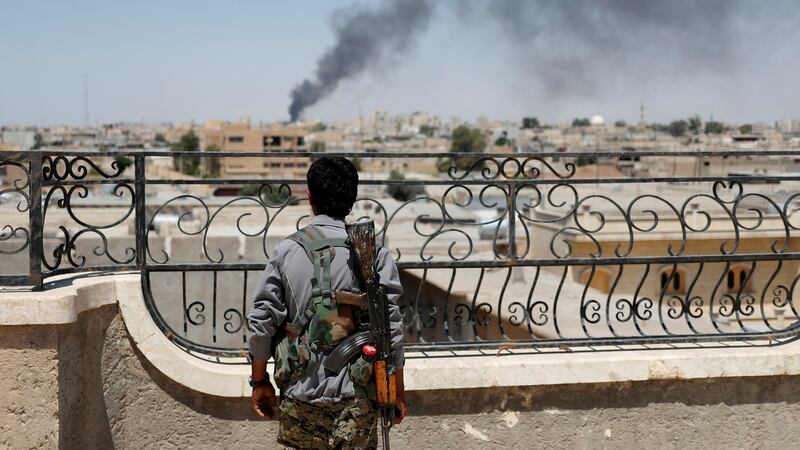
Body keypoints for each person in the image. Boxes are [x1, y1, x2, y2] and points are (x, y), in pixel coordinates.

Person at [247, 156, 407, 449]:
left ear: (309, 196)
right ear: (352, 198)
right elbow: (392, 330)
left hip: (300, 395)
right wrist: (396, 391)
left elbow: (262, 322)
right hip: (356, 400)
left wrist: (259, 382)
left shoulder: (286, 252)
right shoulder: (377, 256)